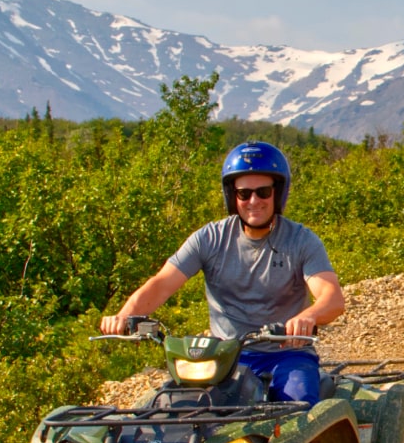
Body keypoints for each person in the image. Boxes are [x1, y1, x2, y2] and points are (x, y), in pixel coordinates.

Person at [100, 141, 344, 404]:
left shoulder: (301, 240)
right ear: (232, 196)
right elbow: (162, 283)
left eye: (263, 192)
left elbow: (332, 297)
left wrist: (307, 317)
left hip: (288, 355)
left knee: (297, 407)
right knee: (179, 408)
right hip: (224, 355)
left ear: (278, 193)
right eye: (244, 194)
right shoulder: (210, 238)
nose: (254, 201)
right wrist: (126, 315)